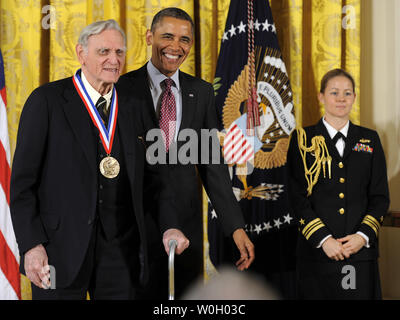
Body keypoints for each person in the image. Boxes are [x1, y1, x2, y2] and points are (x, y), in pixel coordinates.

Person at [10, 19, 188, 300]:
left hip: (121, 255)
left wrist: (170, 225)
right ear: (81, 54)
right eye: (104, 52)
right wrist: (32, 245)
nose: (113, 60)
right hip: (57, 252)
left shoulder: (136, 105)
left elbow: (158, 179)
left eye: (119, 53)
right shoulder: (46, 101)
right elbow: (22, 185)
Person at [117, 7, 255, 299]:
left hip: (185, 225)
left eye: (185, 40)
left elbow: (211, 165)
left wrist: (236, 227)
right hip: (134, 224)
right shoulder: (122, 89)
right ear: (149, 37)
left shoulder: (201, 92)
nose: (176, 46)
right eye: (167, 36)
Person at [287, 68, 390, 299]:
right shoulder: (303, 140)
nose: (341, 98)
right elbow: (296, 197)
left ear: (354, 97)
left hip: (360, 254)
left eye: (347, 93)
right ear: (321, 97)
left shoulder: (370, 140)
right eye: (334, 92)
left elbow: (380, 197)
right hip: (317, 254)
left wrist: (362, 237)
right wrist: (324, 240)